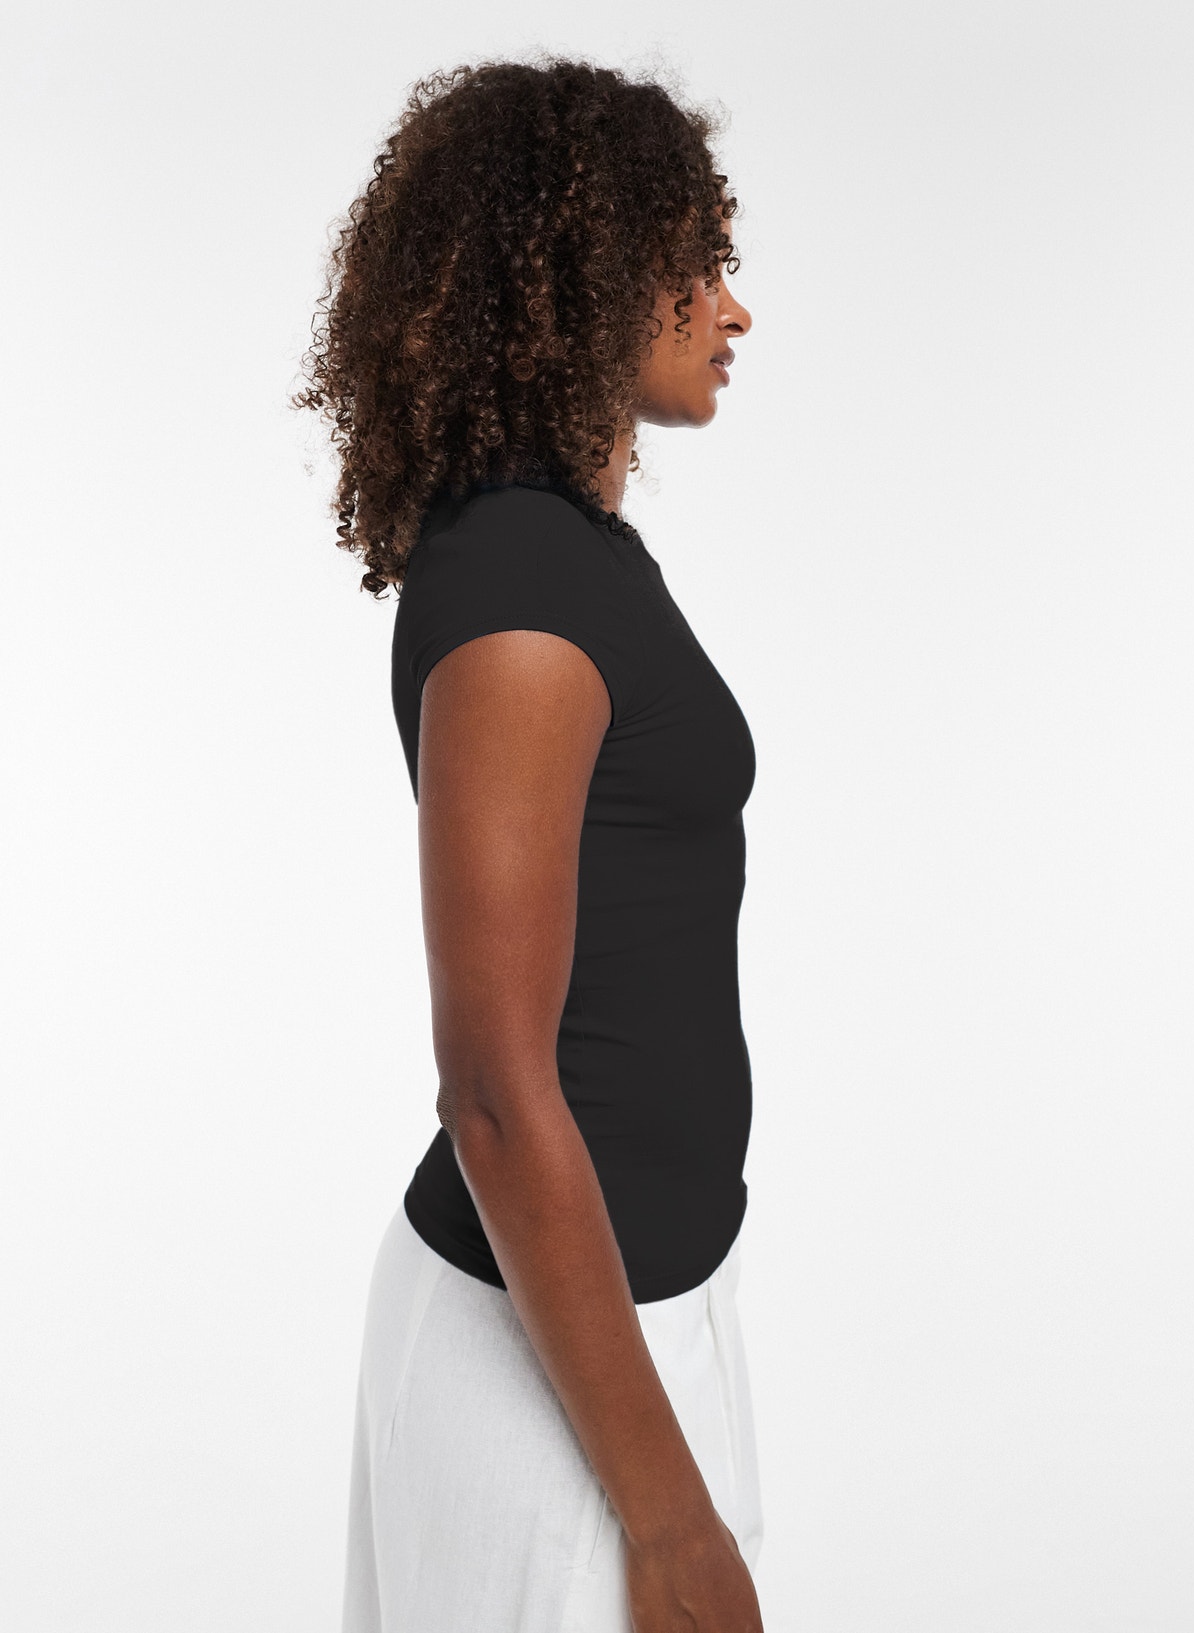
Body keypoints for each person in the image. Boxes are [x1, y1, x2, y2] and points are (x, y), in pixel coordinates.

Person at [294, 55, 764, 1633]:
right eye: (693, 263)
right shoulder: (519, 588)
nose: (732, 307)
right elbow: (495, 1091)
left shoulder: (574, 554)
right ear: (583, 281)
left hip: (618, 1339)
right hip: (545, 1388)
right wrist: (671, 1518)